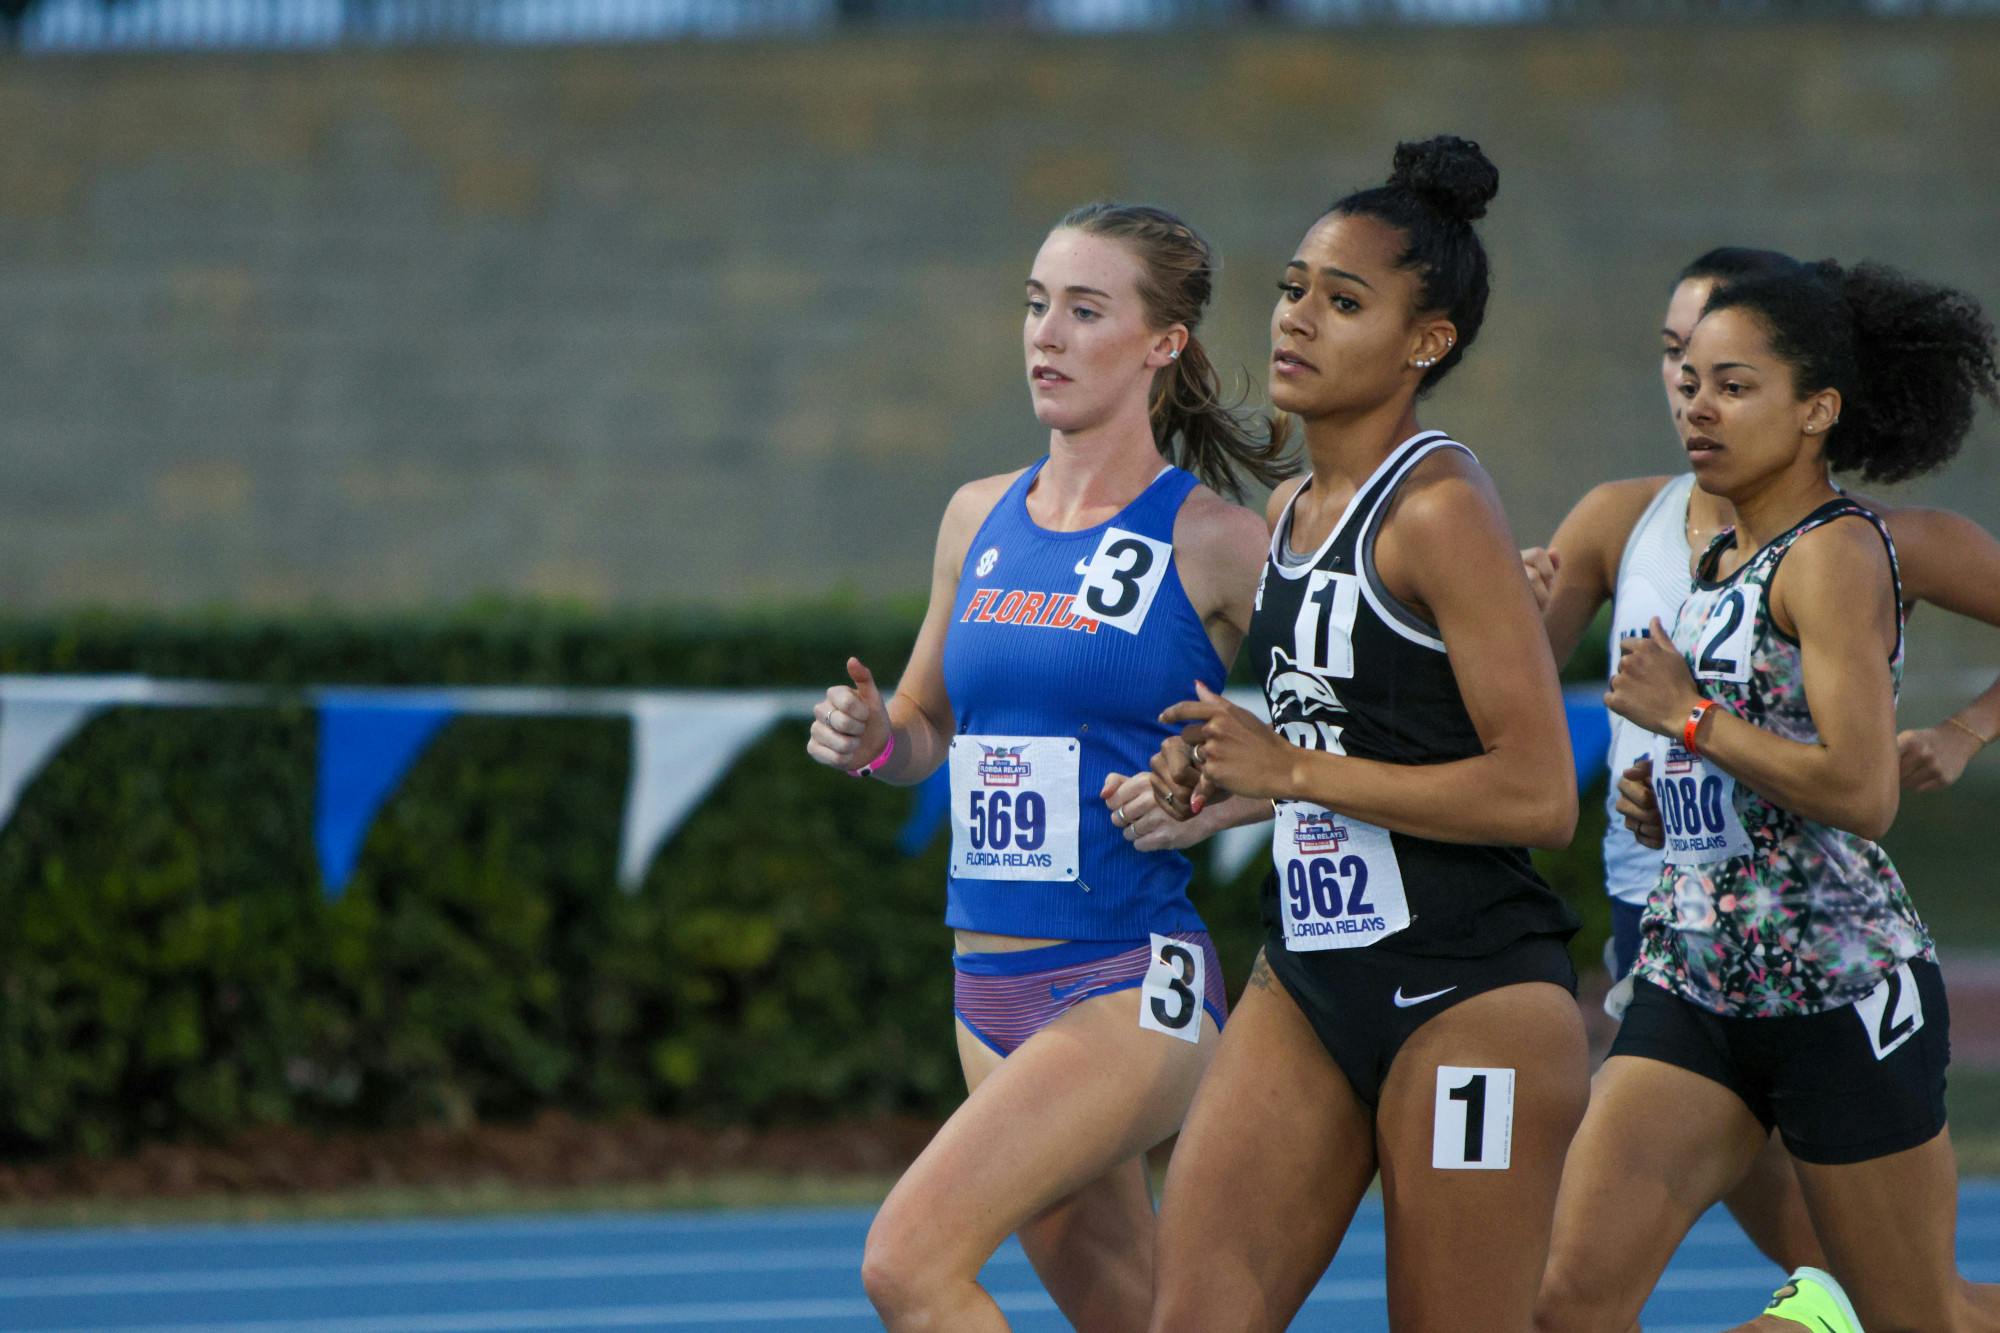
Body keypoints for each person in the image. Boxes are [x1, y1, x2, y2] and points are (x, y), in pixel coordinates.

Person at [805, 201, 1282, 1332]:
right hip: (986, 991)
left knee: (907, 1264)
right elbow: (922, 727)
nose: (1045, 335)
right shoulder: (976, 515)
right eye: (1033, 306)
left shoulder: (1213, 538)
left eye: (1082, 309)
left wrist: (1220, 799)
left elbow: (1367, 728)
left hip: (1127, 980)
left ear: (1162, 342)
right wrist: (873, 738)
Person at [1143, 136, 1588, 1332]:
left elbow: (1540, 794)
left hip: (1470, 992)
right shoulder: (1288, 509)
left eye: (1343, 302)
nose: (1295, 319)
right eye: (1292, 288)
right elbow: (1350, 736)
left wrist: (1285, 766)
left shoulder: (1438, 508)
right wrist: (1219, 770)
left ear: (1422, 342)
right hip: (1311, 974)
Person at [1522, 246, 2000, 1315]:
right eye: (1688, 380)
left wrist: (1687, 717)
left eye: (1734, 388)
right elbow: (1733, 740)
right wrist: (1669, 791)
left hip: (1832, 991)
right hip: (1693, 982)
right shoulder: (1704, 552)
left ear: (1815, 409)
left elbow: (1858, 792)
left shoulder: (1834, 555)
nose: (1698, 407)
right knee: (1565, 1300)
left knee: (1914, 1316)